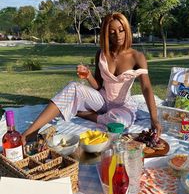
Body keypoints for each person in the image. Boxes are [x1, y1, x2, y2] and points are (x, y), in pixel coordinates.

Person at [22, 12, 161, 144]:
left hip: (123, 106)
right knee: (72, 87)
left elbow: (146, 88)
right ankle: (31, 132)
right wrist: (88, 75)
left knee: (118, 123)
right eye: (112, 32)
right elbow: (99, 86)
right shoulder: (101, 54)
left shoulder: (137, 57)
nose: (118, 35)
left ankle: (86, 114)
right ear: (106, 35)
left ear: (126, 30)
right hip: (102, 100)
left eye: (121, 30)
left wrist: (154, 120)